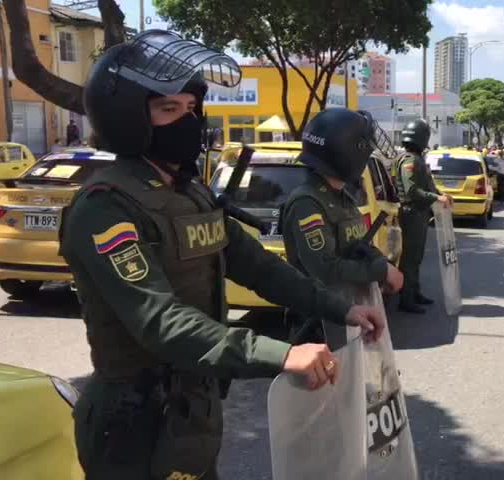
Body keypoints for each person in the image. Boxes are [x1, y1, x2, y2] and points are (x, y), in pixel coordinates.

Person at [59, 30, 385, 480]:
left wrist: (344, 307)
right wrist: (279, 355)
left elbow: (259, 266)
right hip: (133, 420)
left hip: (192, 407)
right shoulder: (105, 205)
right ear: (127, 119)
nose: (187, 120)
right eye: (168, 109)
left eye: (191, 108)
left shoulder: (189, 193)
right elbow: (161, 320)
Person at [281, 108, 404, 343]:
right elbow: (324, 268)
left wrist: (380, 265)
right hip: (318, 327)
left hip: (345, 316)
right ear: (350, 152)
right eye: (365, 148)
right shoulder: (308, 202)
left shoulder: (340, 197)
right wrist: (382, 271)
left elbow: (354, 247)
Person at [395, 119, 453, 313]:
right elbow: (412, 191)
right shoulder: (410, 160)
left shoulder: (417, 158)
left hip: (419, 214)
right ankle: (406, 299)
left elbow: (427, 185)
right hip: (411, 214)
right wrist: (436, 197)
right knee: (410, 259)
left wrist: (441, 195)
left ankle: (415, 292)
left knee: (417, 257)